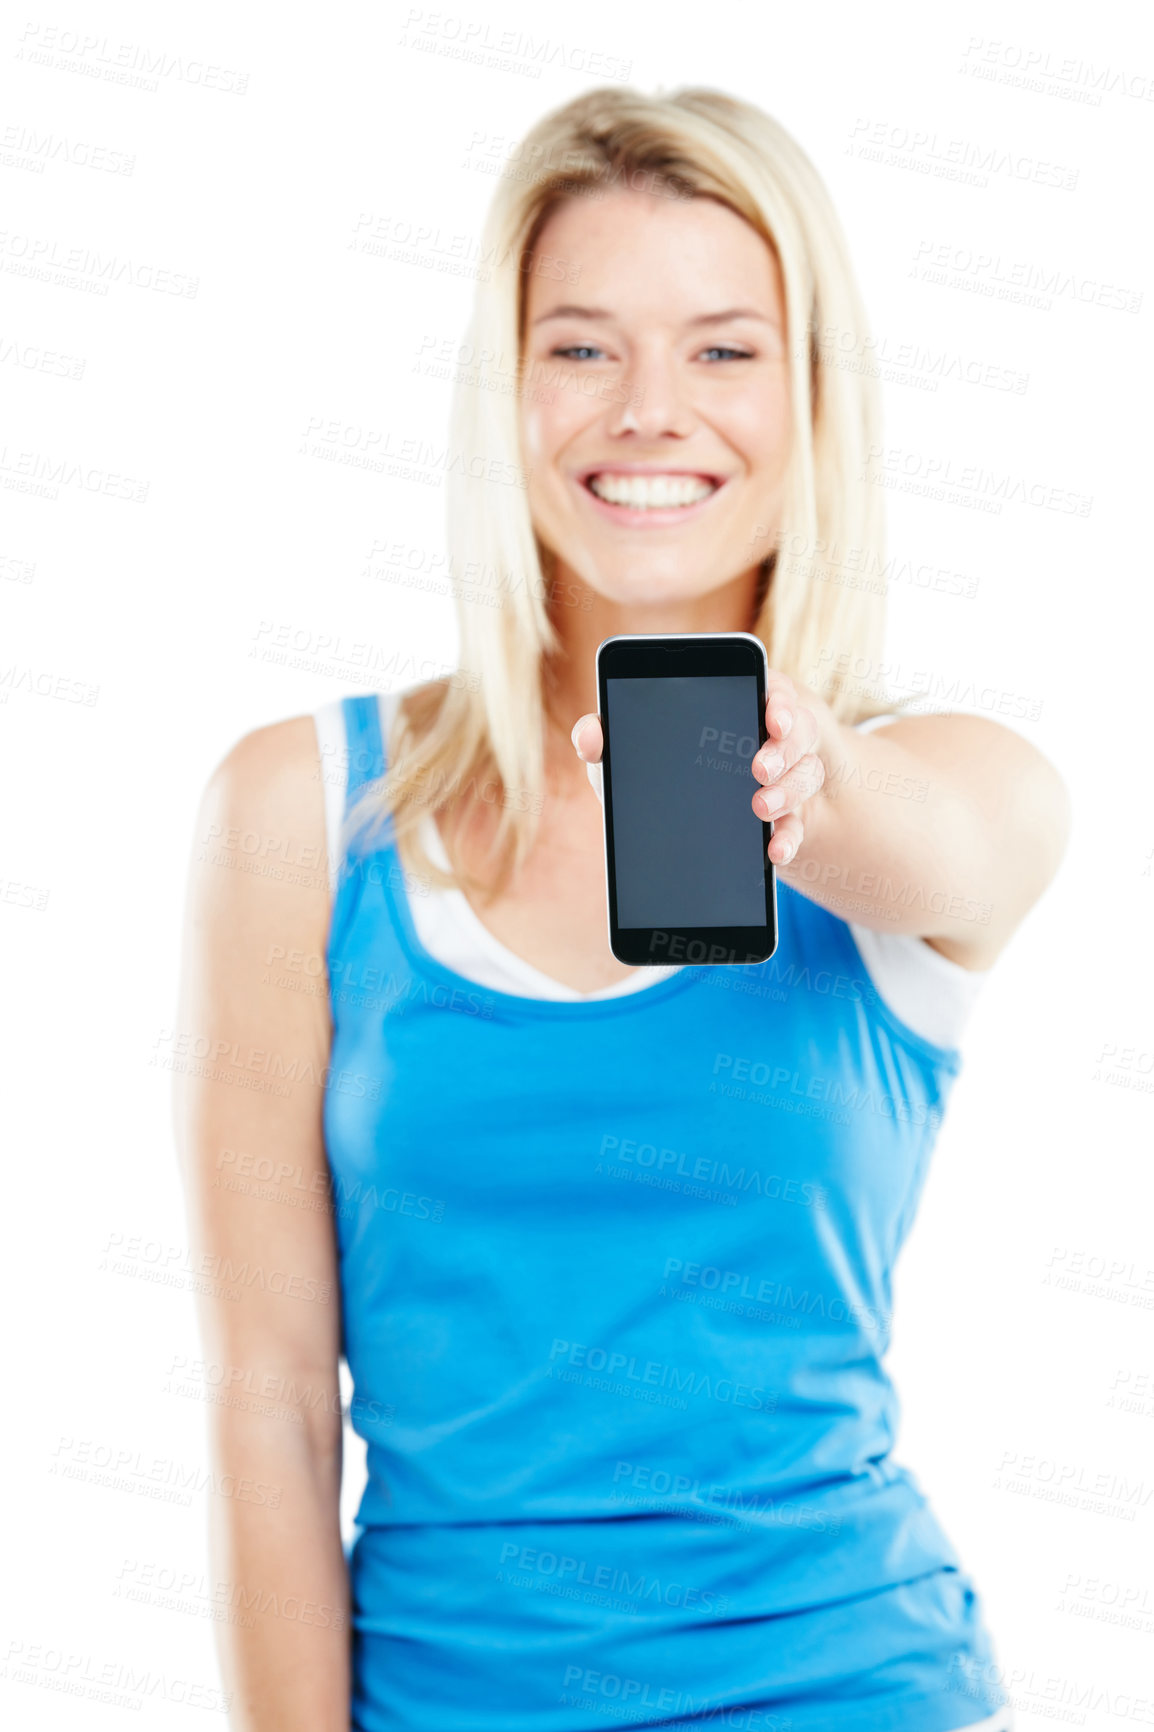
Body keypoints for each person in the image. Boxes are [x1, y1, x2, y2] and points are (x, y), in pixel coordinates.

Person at [175, 85, 1069, 1732]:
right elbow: (271, 1400)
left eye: (724, 350)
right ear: (503, 391)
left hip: (849, 1685)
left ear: (810, 403)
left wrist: (814, 786)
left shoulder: (949, 781)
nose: (649, 410)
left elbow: (948, 839)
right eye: (583, 347)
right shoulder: (296, 813)